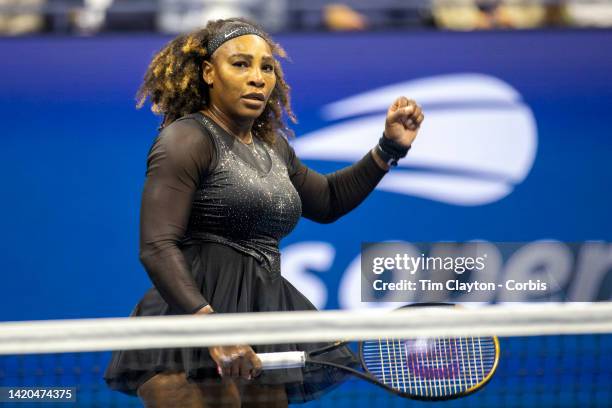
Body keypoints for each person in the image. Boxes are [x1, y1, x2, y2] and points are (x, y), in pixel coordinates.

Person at [104, 17, 424, 408]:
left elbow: (328, 201)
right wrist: (210, 328)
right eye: (241, 64)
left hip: (263, 319)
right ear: (208, 72)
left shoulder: (272, 147)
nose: (257, 77)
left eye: (267, 67)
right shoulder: (186, 139)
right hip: (189, 327)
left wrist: (389, 148)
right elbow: (156, 246)